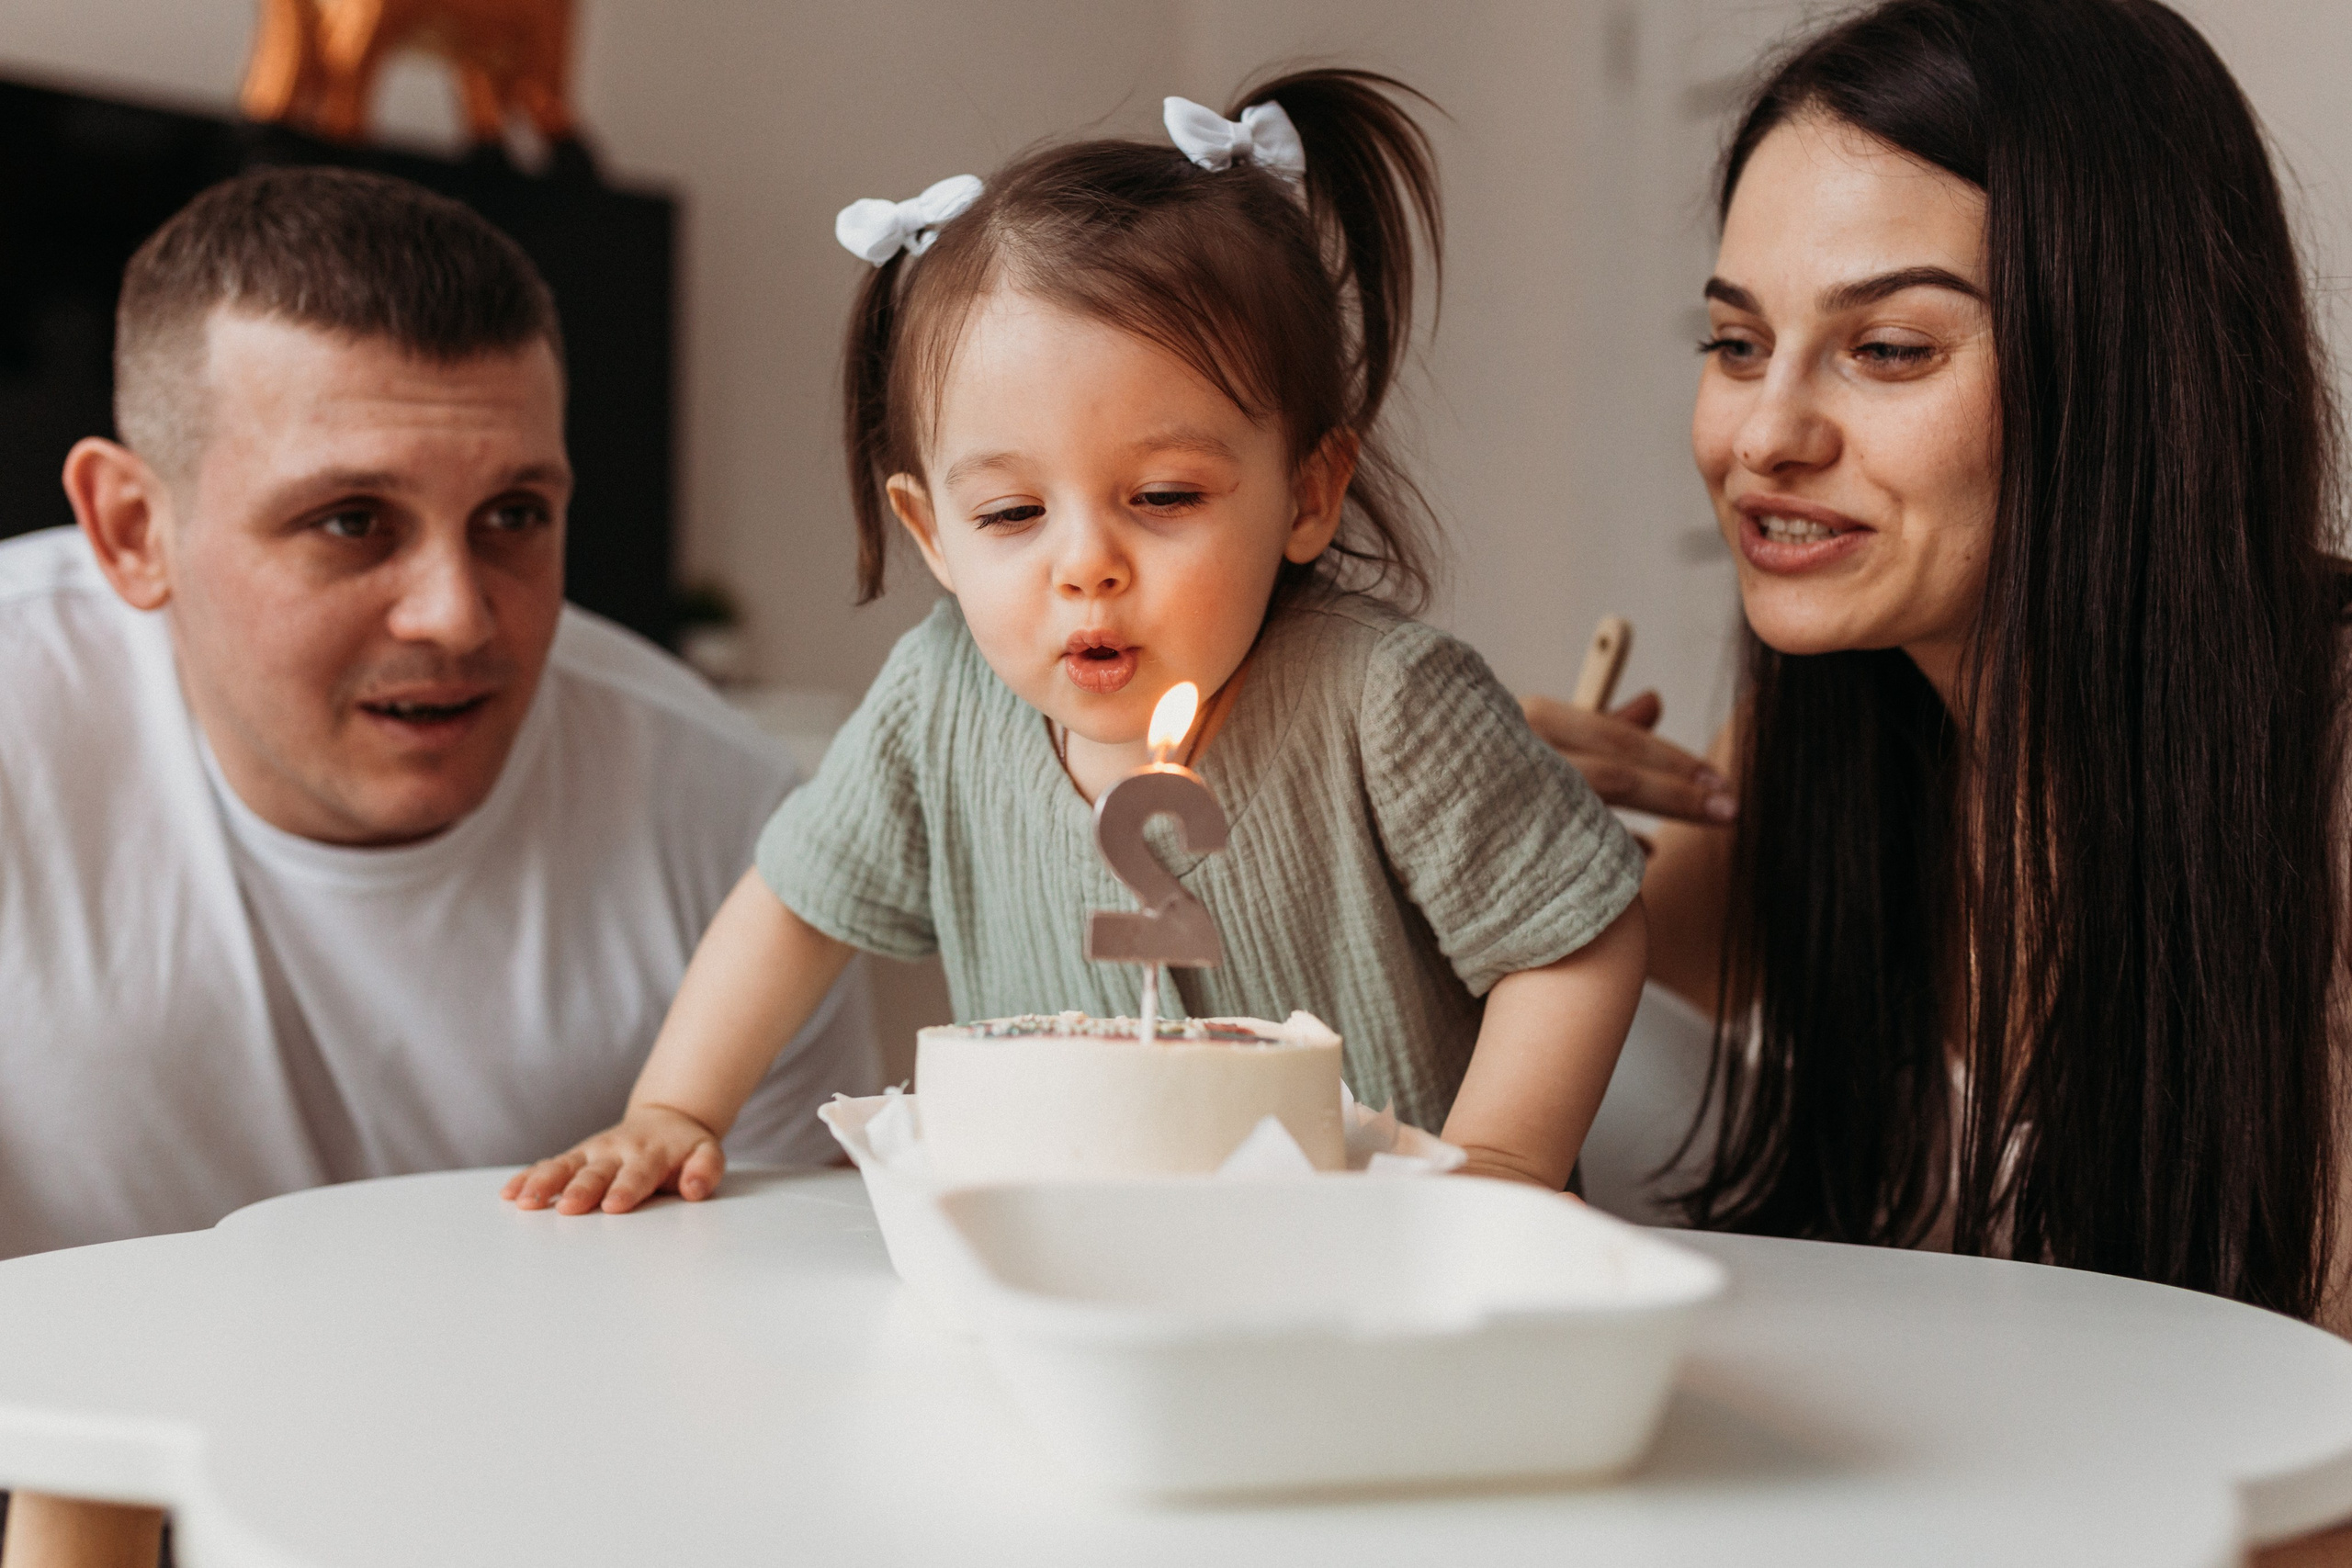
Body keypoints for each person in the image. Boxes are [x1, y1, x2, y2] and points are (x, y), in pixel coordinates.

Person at [506, 69, 1650, 1216]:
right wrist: (676, 1107)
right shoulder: (937, 698)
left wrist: (1495, 1171)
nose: (1085, 564)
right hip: (1075, 1263)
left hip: (1378, 1282)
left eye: (1161, 495)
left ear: (1309, 491)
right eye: (1010, 514)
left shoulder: (1386, 701)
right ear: (932, 533)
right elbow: (793, 904)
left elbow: (1574, 942)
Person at [0, 167, 876, 1567]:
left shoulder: (736, 831)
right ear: (130, 530)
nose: (459, 613)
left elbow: (763, 1403)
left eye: (516, 514)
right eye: (351, 519)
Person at [1537, 0, 2350, 1345]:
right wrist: (1418, 824)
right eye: (1737, 344)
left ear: (2131, 369)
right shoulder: (1809, 761)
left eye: (1890, 349)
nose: (1765, 434)